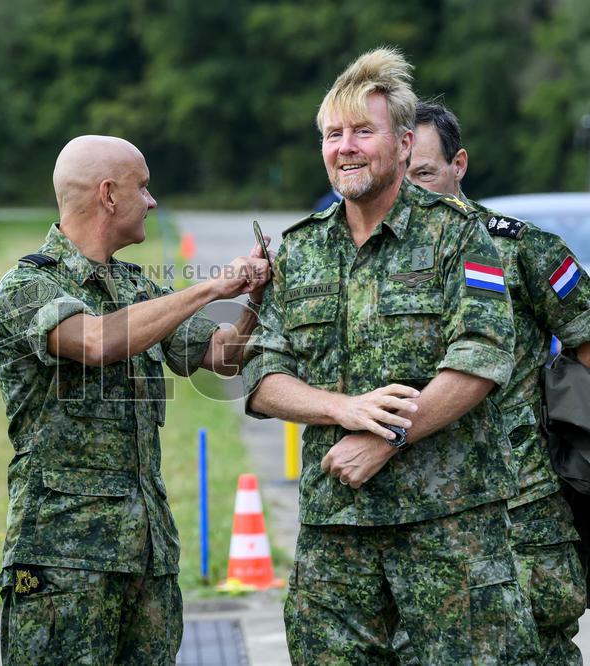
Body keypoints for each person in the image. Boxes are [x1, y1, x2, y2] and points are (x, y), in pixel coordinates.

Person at [242, 48, 539, 663]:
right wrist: (344, 409)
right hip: (336, 537)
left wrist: (387, 437)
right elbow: (262, 376)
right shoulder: (299, 251)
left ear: (404, 145)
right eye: (333, 134)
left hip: (451, 531)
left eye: (362, 132)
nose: (345, 147)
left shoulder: (460, 234)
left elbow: (482, 355)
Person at [0, 134, 270, 664]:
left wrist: (253, 299)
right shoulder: (28, 286)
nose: (153, 200)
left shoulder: (137, 289)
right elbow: (97, 341)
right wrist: (210, 288)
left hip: (145, 556)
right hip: (64, 562)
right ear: (109, 195)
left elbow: (222, 357)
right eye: (144, 187)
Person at [409, 100, 590, 664]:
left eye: (425, 173)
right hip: (414, 504)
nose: (414, 192)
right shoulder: (371, 260)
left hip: (521, 507)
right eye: (402, 175)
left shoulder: (518, 248)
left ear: (458, 164)